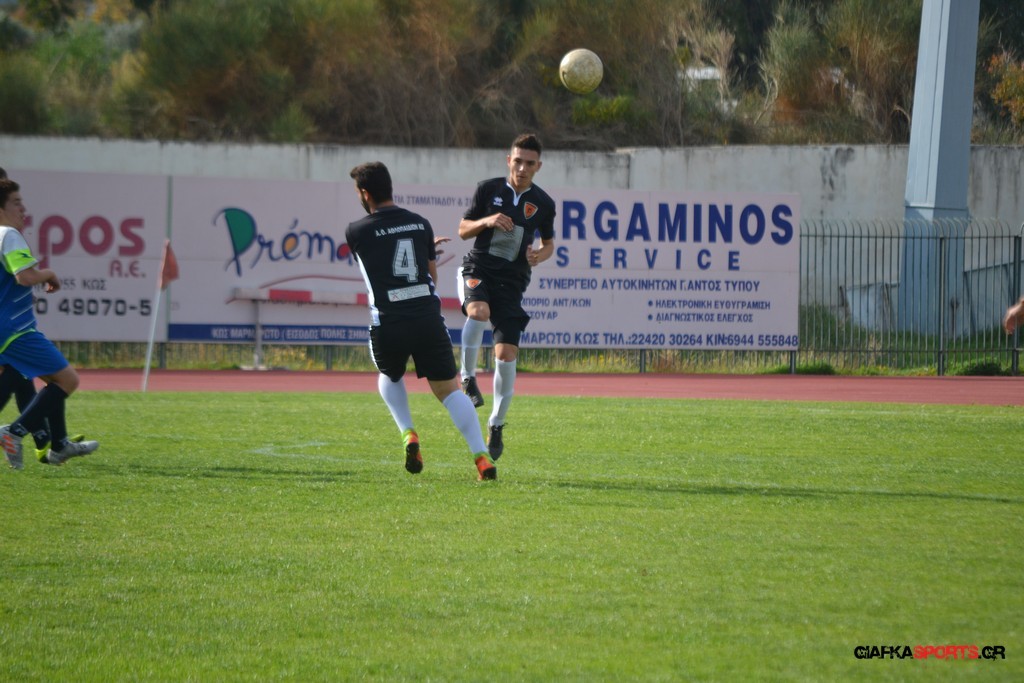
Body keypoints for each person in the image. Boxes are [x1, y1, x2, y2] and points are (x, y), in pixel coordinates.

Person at [345, 161, 496, 481]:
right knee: (450, 391)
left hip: (389, 321)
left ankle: (409, 433)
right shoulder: (420, 224)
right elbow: (431, 276)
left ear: (365, 193)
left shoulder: (356, 231)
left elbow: (379, 256)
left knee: (390, 375)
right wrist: (423, 245)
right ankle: (481, 456)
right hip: (427, 318)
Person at [456, 133, 556, 461]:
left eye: (530, 163)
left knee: (507, 353)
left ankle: (496, 423)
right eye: (518, 161)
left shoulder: (544, 203)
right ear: (508, 160)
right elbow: (463, 229)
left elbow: (549, 244)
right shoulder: (488, 189)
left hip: (512, 283)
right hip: (479, 268)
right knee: (478, 312)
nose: (522, 168)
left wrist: (539, 255)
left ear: (538, 166)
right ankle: (467, 377)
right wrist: (487, 220)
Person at [0, 178, 99, 469]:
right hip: (14, 330)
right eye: (16, 202)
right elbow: (25, 277)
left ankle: (58, 445)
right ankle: (14, 432)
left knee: (47, 380)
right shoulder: (8, 235)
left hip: (7, 330)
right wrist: (50, 274)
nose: (23, 208)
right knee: (68, 380)